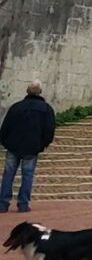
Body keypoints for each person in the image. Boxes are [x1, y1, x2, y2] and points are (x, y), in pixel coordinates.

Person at [0, 78, 56, 213]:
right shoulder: (46, 109)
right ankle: (23, 204)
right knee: (28, 175)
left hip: (13, 146)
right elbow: (49, 130)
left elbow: (5, 127)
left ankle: (3, 203)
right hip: (32, 147)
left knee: (8, 174)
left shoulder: (16, 107)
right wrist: (42, 145)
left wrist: (6, 142)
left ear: (27, 91)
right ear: (40, 92)